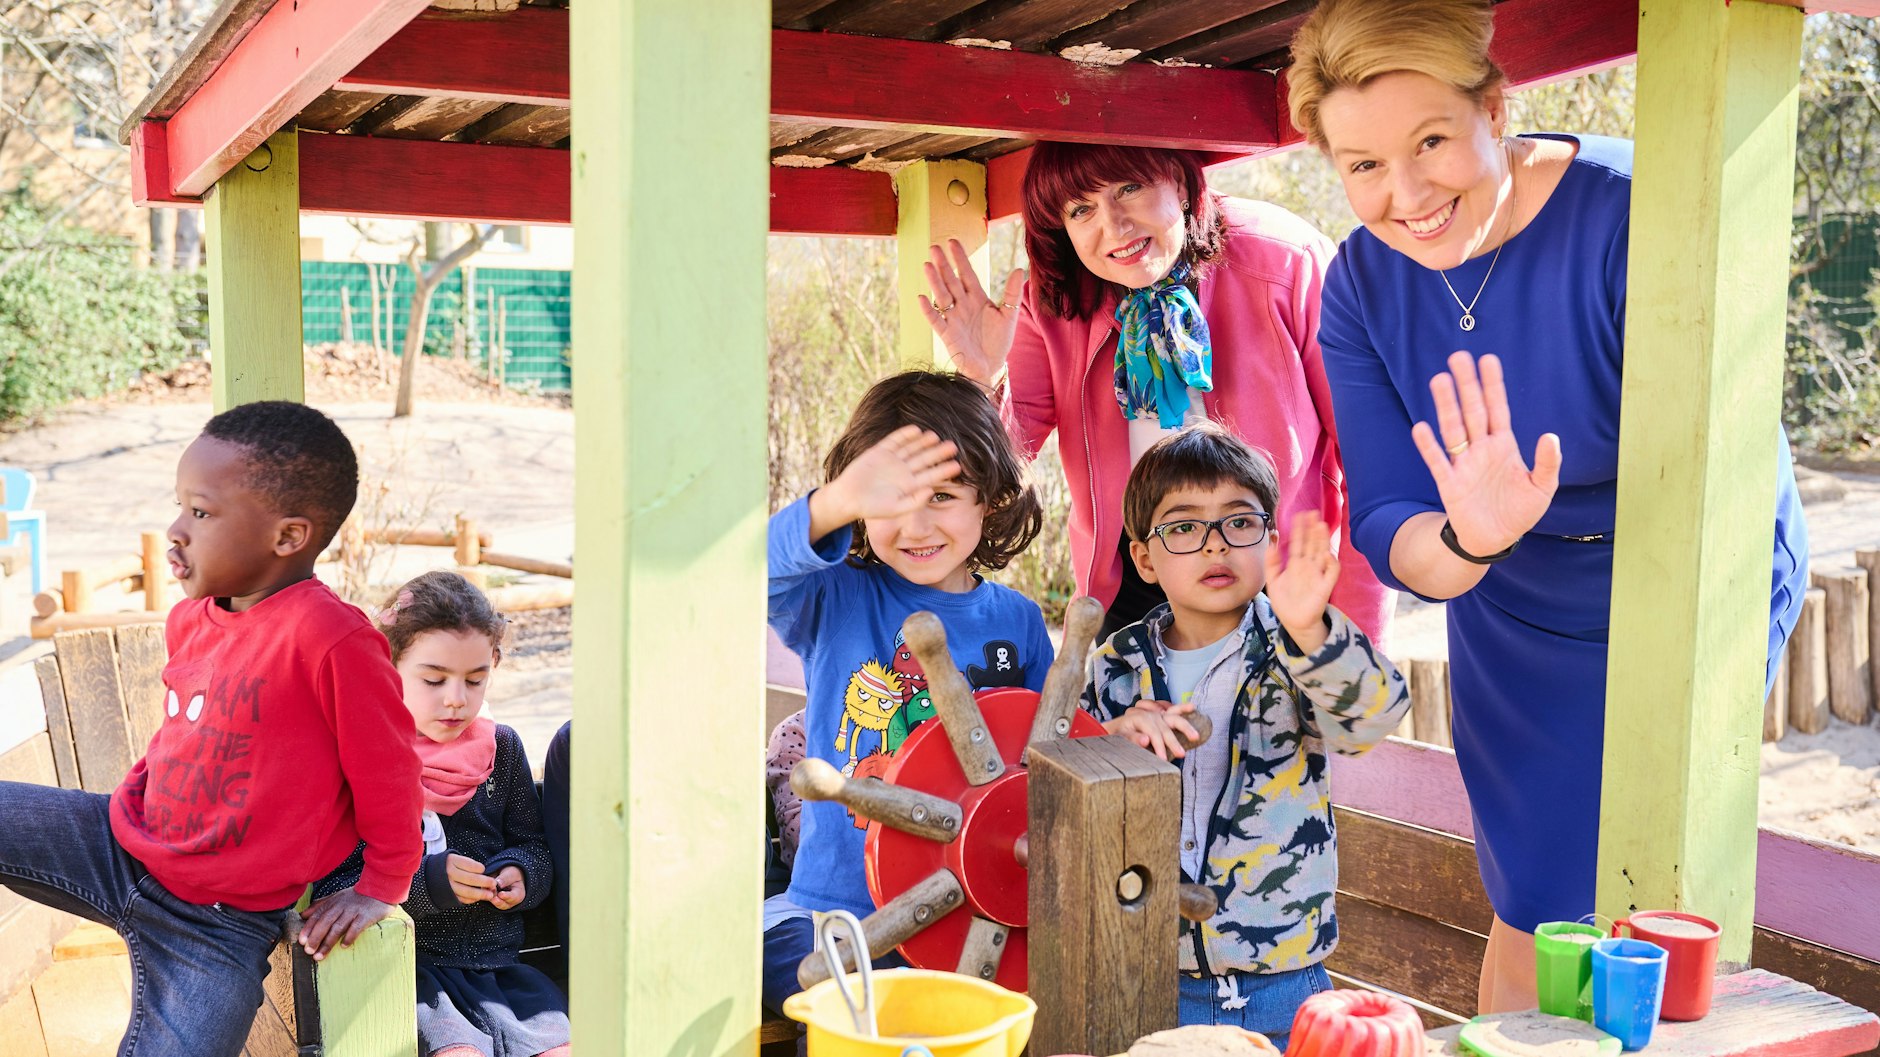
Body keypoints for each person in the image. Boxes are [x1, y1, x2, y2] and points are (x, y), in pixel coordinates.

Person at [1285, 0, 1808, 1012]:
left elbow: (1718, 439)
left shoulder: (1630, 210)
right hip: (1506, 589)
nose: (1403, 195)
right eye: (1359, 166)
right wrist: (1470, 536)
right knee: (1531, 893)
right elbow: (1395, 525)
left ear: (1494, 106)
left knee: (1650, 881)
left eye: (1429, 140)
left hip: (1687, 562)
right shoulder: (1353, 284)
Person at [0, 401, 421, 1057]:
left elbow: (391, 773)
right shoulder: (193, 616)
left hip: (217, 925)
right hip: (118, 846)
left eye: (200, 512)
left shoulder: (332, 638)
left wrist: (382, 886)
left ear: (288, 537)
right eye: (180, 506)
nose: (176, 529)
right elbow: (189, 730)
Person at [919, 142, 1391, 644]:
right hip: (1136, 583)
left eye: (1130, 188)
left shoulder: (1285, 260)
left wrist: (1356, 637)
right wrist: (981, 376)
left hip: (1279, 576)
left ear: (1181, 183)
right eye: (1081, 209)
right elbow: (1006, 462)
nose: (1114, 226)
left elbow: (1371, 457)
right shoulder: (1053, 299)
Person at [1081, 424, 1409, 1046]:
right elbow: (1057, 792)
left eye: (1239, 523)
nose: (1215, 547)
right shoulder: (1112, 666)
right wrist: (1110, 745)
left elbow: (1373, 718)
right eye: (1182, 527)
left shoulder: (1299, 648)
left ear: (1272, 541)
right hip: (1143, 973)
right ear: (1144, 559)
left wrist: (1311, 629)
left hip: (1281, 983)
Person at [764, 369, 1052, 1014]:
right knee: (858, 1010)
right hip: (838, 909)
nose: (915, 525)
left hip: (977, 912)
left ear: (991, 500)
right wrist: (833, 503)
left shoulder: (1019, 621)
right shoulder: (835, 597)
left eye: (944, 496)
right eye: (892, 500)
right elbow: (754, 572)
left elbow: (1045, 761)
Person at [316, 571, 569, 1057]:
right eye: (434, 679)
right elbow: (335, 886)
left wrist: (520, 874)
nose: (456, 698)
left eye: (475, 680)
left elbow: (533, 844)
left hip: (503, 973)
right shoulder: (358, 761)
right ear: (387, 667)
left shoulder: (501, 750)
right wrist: (432, 882)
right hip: (409, 977)